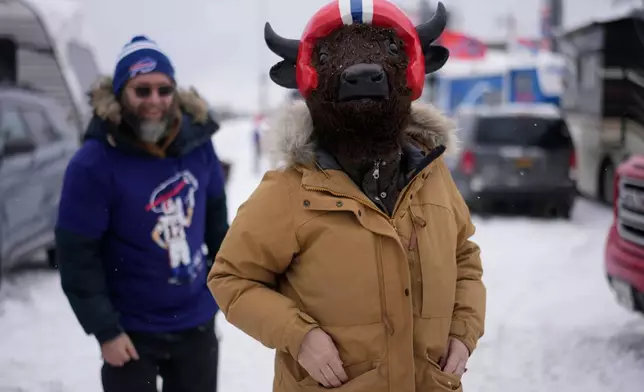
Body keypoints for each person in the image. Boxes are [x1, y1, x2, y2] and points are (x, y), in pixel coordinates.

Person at [208, 1, 485, 391]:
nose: (361, 68)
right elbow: (231, 277)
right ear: (306, 79)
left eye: (387, 50)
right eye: (330, 56)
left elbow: (464, 257)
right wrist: (299, 336)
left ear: (413, 71)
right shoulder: (289, 190)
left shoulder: (433, 175)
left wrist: (464, 327)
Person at [56, 35, 228, 392]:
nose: (155, 101)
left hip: (196, 323)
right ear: (120, 94)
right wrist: (106, 331)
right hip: (130, 332)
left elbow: (217, 225)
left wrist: (223, 286)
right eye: (142, 90)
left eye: (164, 90)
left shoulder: (199, 147)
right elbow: (77, 256)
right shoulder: (94, 163)